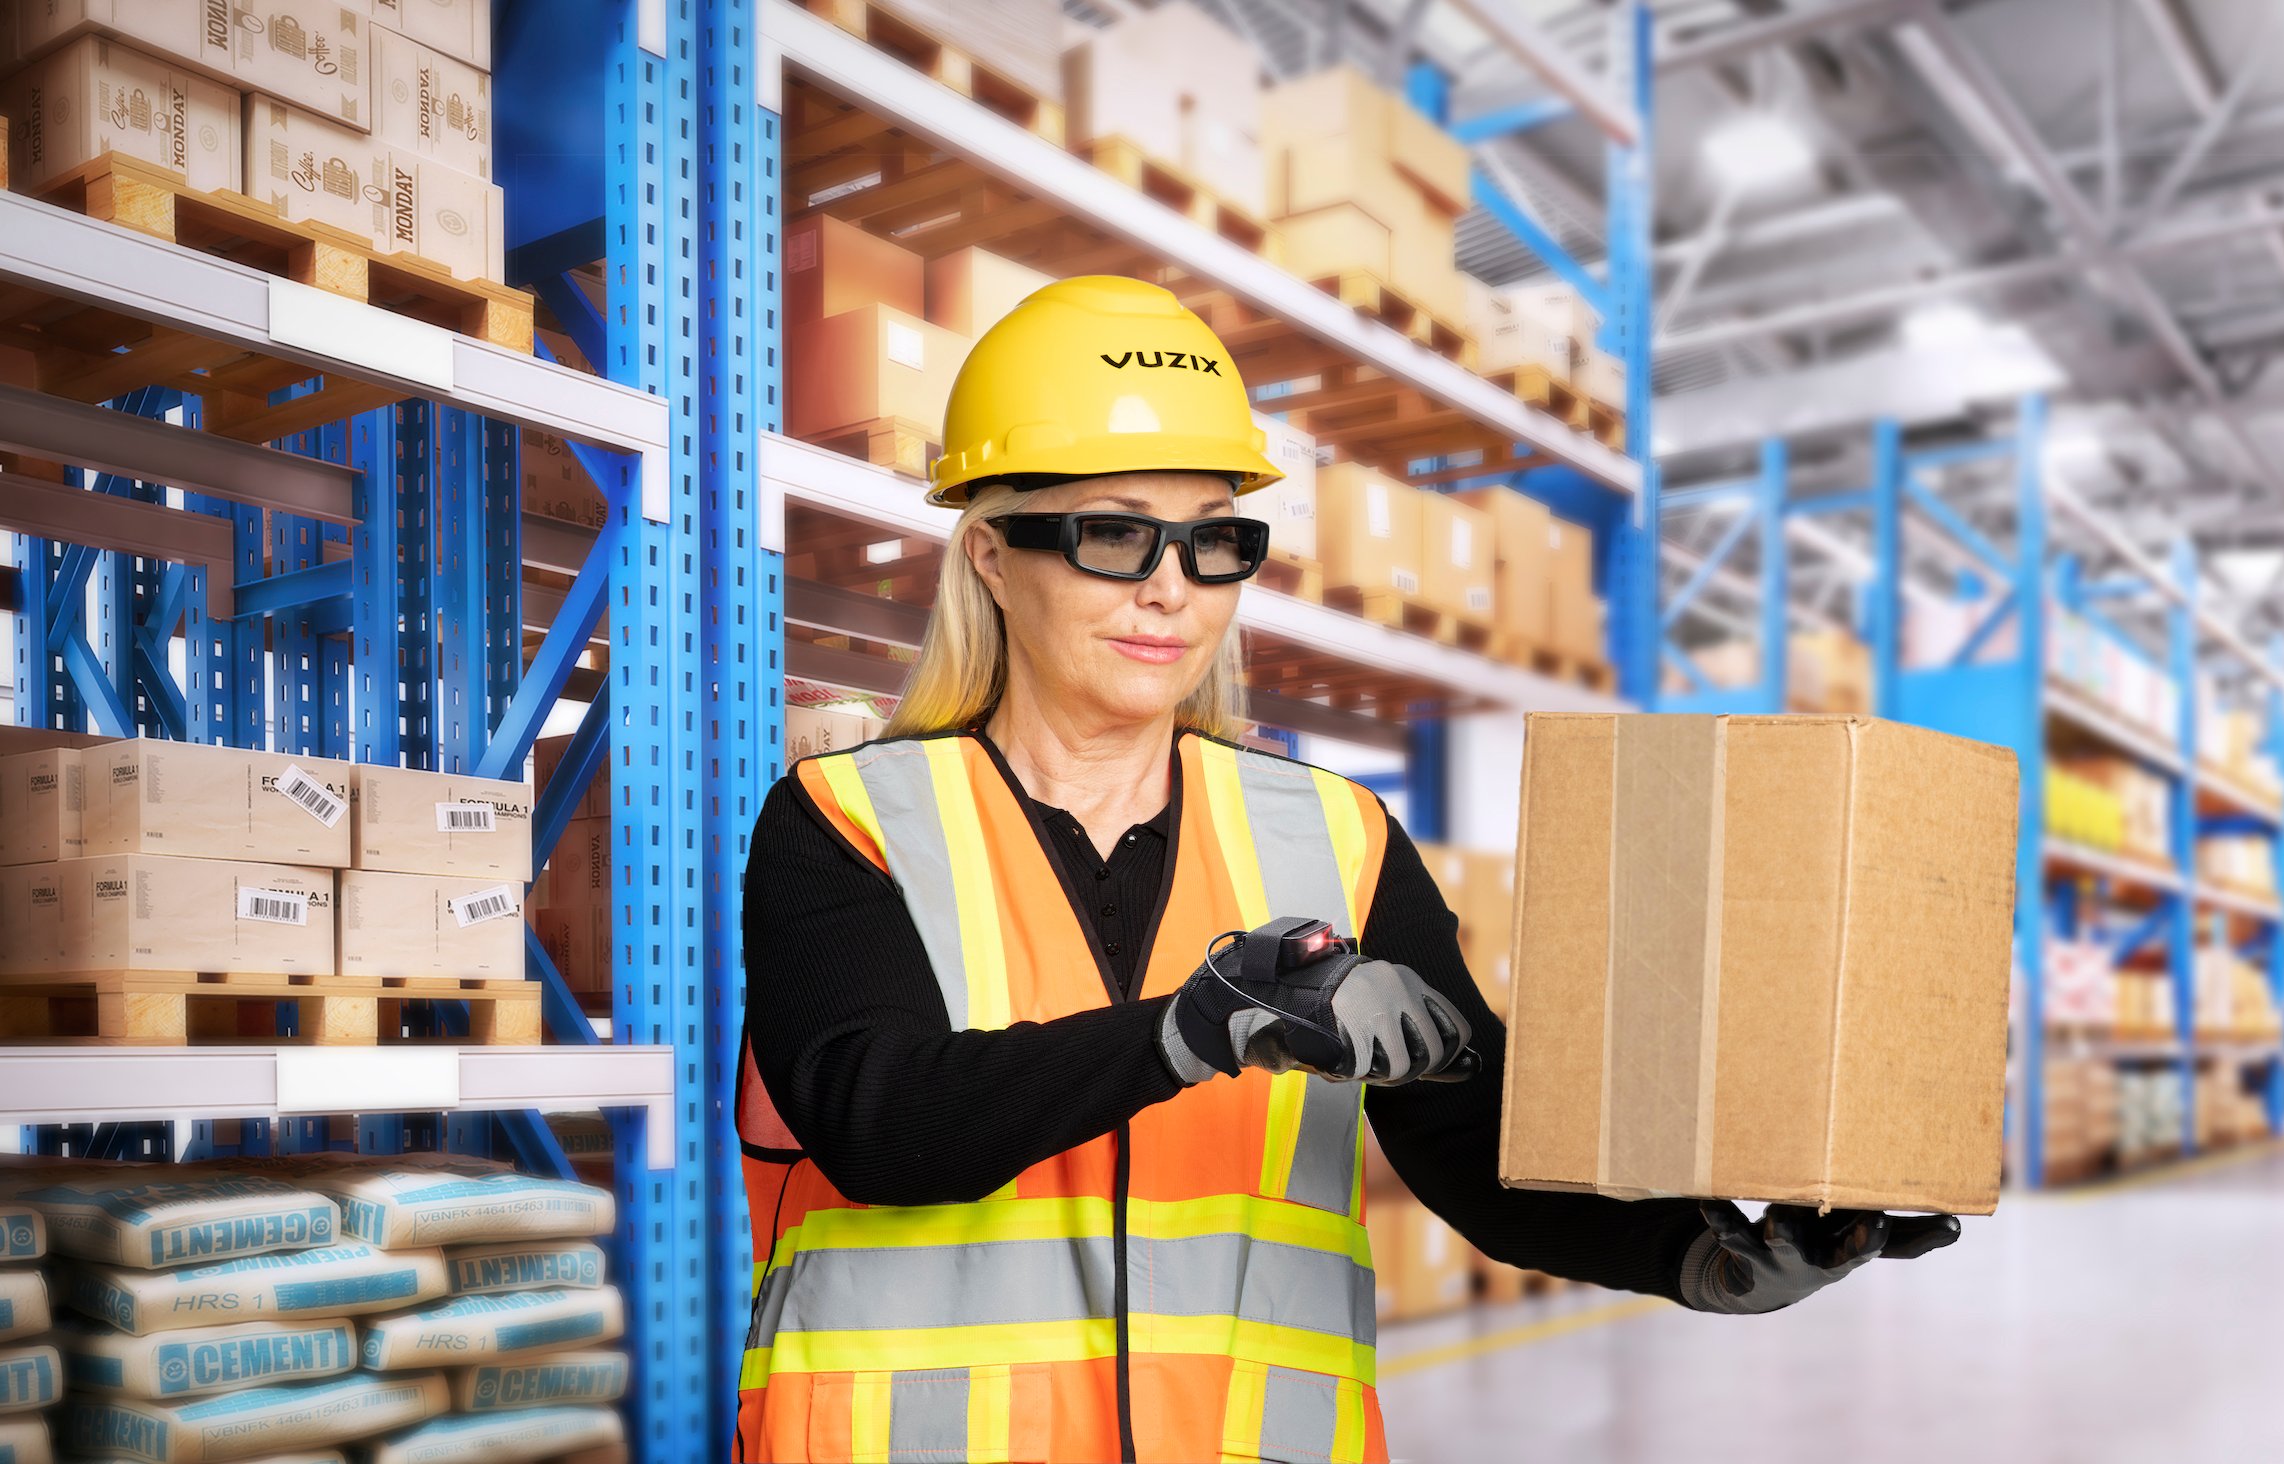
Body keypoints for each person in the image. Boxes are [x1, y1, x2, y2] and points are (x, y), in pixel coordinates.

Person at [730, 277, 1960, 1463]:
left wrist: (1702, 1254)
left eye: (1217, 543)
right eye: (1114, 536)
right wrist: (1202, 1026)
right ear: (993, 556)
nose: (1171, 588)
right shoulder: (849, 818)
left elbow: (1474, 1143)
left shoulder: (1337, 836)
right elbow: (881, 1125)